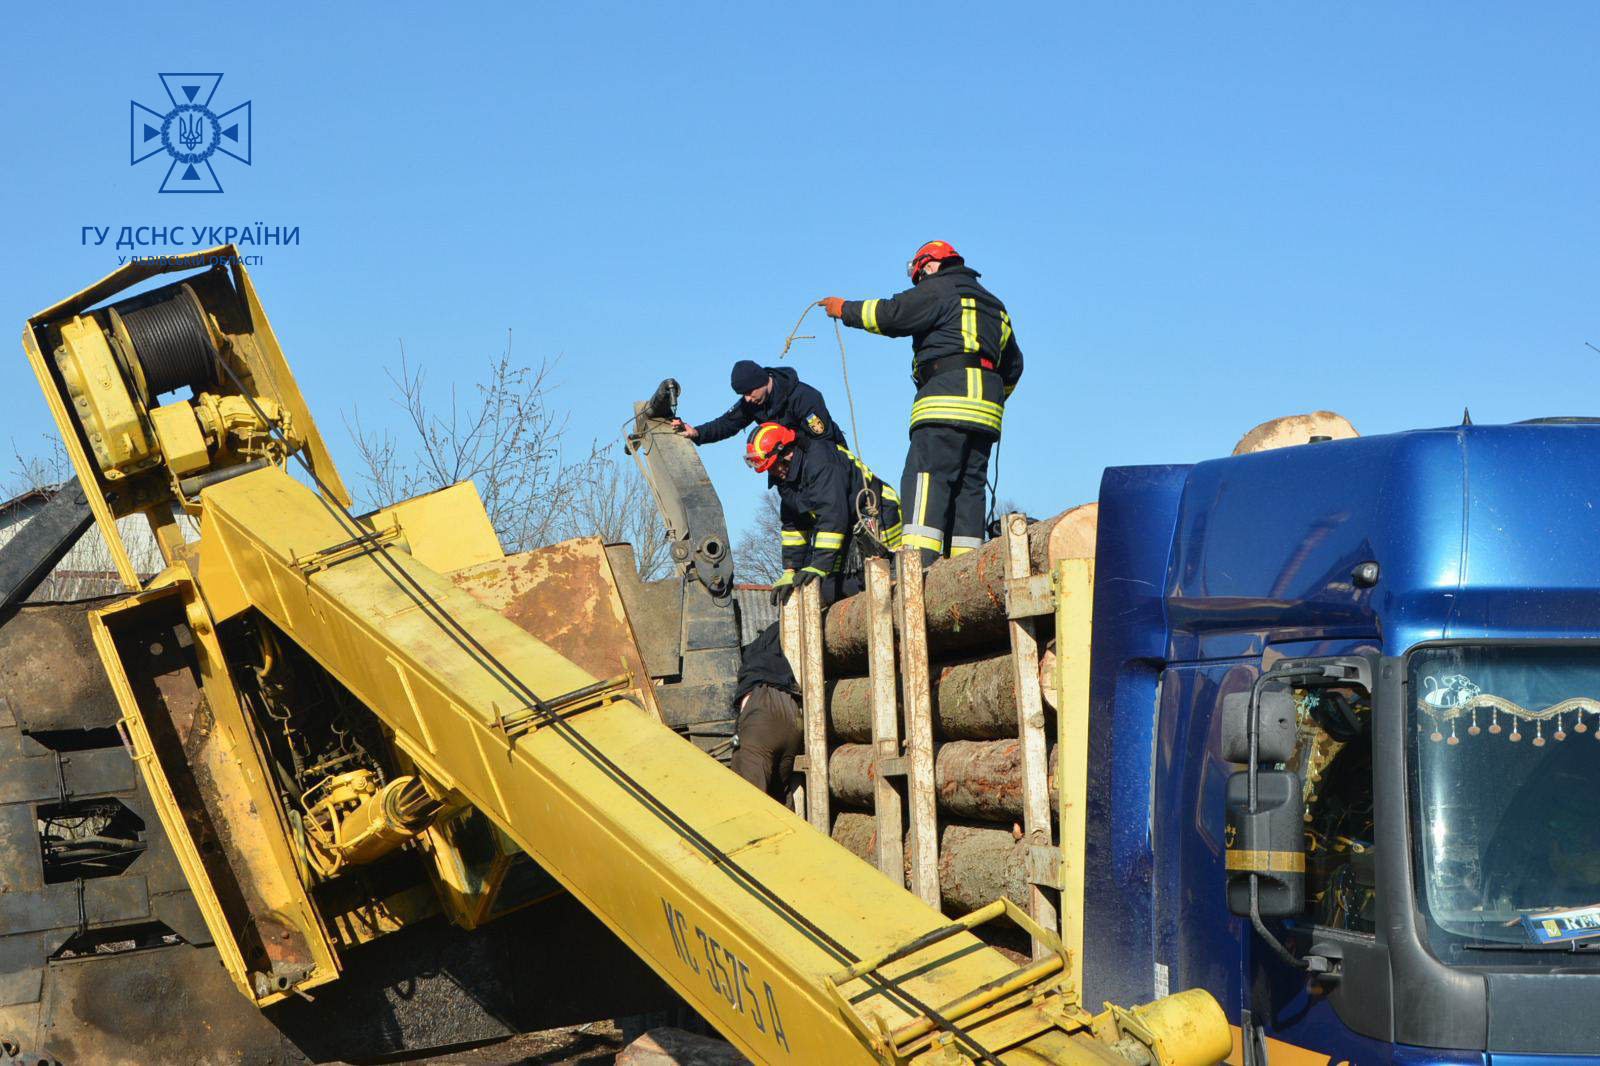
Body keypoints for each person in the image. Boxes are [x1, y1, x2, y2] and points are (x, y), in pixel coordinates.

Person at [818, 240, 1023, 566]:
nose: (919, 283)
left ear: (929, 266)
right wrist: (990, 398)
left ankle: (918, 566)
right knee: (970, 488)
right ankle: (964, 569)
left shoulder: (939, 289)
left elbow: (891, 314)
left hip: (943, 401)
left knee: (927, 477)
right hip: (986, 414)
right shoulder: (996, 306)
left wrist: (844, 309)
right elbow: (1014, 366)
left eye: (919, 276)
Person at [744, 422, 901, 605]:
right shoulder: (786, 478)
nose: (774, 472)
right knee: (829, 589)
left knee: (879, 578)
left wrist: (819, 565)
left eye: (774, 465)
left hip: (877, 513)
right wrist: (790, 570)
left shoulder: (821, 462)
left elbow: (832, 515)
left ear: (787, 451)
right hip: (845, 527)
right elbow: (794, 525)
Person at [674, 359, 847, 450]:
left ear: (761, 382)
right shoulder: (753, 402)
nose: (747, 399)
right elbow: (727, 424)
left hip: (829, 461)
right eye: (743, 395)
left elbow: (823, 442)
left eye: (749, 392)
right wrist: (697, 433)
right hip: (790, 469)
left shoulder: (804, 397)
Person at [728, 622, 802, 800]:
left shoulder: (754, 653)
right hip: (793, 713)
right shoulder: (784, 629)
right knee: (778, 799)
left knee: (748, 799)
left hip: (762, 712)